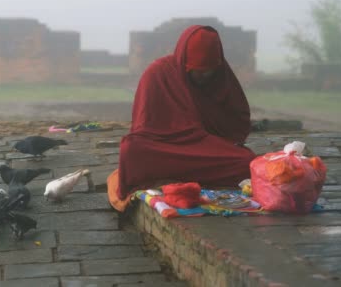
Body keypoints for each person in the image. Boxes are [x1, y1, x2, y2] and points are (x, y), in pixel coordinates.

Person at [108, 25, 256, 211]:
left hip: (205, 148)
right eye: (196, 71)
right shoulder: (158, 73)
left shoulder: (220, 78)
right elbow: (143, 129)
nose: (202, 76)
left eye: (207, 71)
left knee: (247, 162)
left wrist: (225, 142)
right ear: (183, 60)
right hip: (165, 147)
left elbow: (237, 123)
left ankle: (172, 174)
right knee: (132, 151)